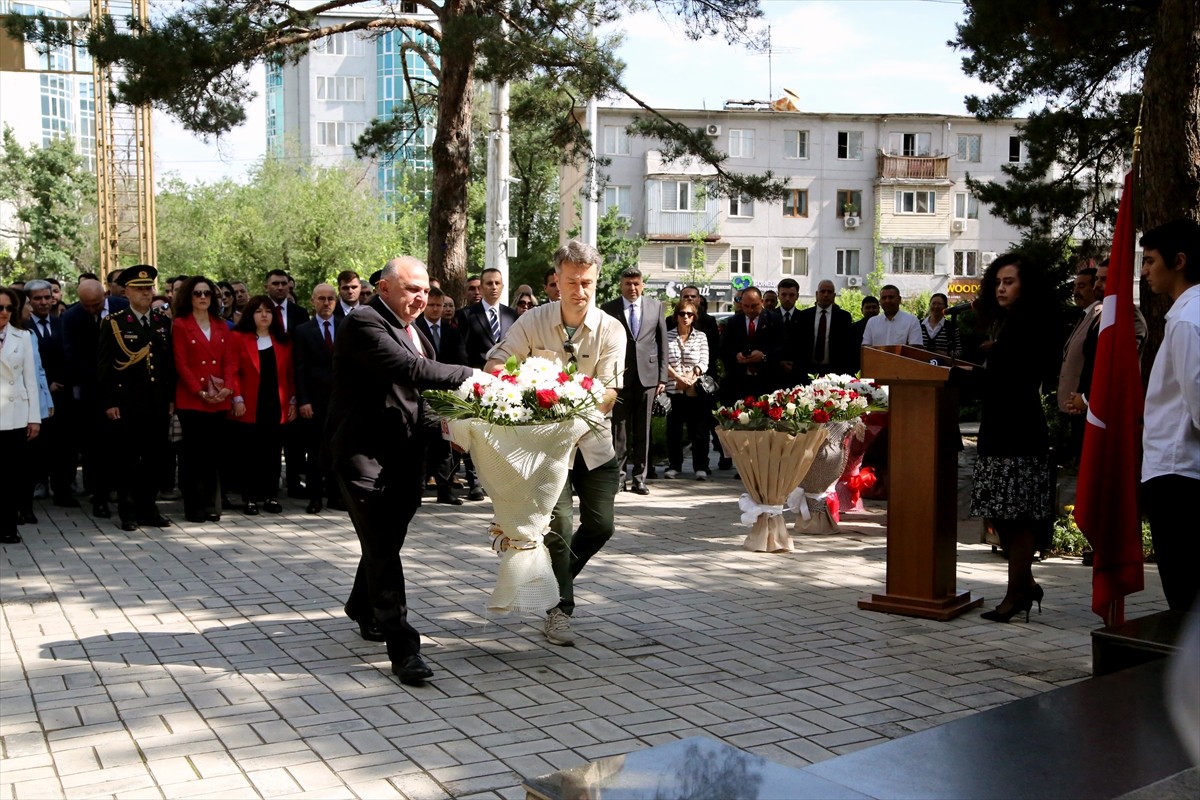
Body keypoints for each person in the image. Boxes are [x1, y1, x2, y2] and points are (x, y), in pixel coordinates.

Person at [328, 256, 477, 685]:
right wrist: (476, 377)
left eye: (425, 291)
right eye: (411, 289)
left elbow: (417, 397)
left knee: (385, 540)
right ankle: (404, 648)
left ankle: (361, 605)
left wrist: (454, 425)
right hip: (363, 456)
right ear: (385, 288)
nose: (420, 298)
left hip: (404, 457)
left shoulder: (416, 333)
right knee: (383, 549)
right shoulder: (364, 322)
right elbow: (410, 371)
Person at [486, 240, 625, 648]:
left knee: (601, 525)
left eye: (587, 283)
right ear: (556, 282)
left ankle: (551, 576)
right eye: (571, 282)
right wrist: (526, 386)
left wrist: (576, 411)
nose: (579, 291)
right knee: (559, 525)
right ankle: (560, 610)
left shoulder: (611, 328)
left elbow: (610, 391)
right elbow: (496, 362)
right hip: (545, 450)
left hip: (594, 443)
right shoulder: (532, 321)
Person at [969, 253, 1055, 623]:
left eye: (1010, 282)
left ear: (1026, 286)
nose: (1001, 288)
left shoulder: (1031, 322)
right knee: (1000, 511)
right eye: (998, 282)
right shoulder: (1005, 322)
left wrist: (966, 376)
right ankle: (1025, 585)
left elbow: (1012, 377)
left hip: (1019, 427)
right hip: (999, 425)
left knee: (1015, 513)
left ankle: (1016, 592)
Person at [1139, 219, 1200, 612]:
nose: (1144, 271)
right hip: (1179, 469)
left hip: (1178, 471)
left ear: (1179, 261)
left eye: (1150, 261)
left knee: (1184, 592)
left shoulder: (1186, 321)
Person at [97, 266, 176, 532]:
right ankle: (128, 512)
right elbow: (105, 366)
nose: (145, 293)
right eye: (139, 289)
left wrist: (170, 398)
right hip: (127, 402)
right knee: (128, 460)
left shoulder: (162, 322)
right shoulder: (114, 323)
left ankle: (149, 508)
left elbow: (167, 366)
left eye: (148, 288)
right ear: (127, 291)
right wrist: (109, 402)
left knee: (155, 459)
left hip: (156, 402)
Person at [61, 278, 128, 519]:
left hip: (125, 390)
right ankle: (99, 498)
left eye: (96, 304)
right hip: (93, 393)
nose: (92, 309)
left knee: (125, 447)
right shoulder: (71, 317)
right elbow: (72, 355)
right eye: (86, 305)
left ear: (105, 295)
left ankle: (125, 496)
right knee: (96, 450)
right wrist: (101, 378)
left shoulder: (123, 307)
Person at [226, 294, 296, 515]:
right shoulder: (238, 337)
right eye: (258, 311)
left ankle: (270, 496)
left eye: (267, 311)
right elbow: (231, 370)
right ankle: (249, 498)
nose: (264, 315)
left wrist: (293, 400)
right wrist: (236, 398)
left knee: (273, 453)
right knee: (249, 454)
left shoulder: (283, 340)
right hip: (248, 404)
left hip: (276, 404)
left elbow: (290, 374)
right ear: (250, 315)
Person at [171, 275, 233, 523]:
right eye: (198, 293)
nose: (203, 297)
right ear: (189, 296)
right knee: (193, 455)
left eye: (207, 293)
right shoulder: (180, 324)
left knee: (213, 454)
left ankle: (211, 504)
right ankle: (193, 506)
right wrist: (199, 390)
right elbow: (181, 362)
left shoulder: (220, 324)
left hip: (219, 398)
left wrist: (227, 387)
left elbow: (229, 360)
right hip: (192, 399)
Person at [602, 267, 667, 494]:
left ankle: (640, 477)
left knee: (643, 430)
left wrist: (662, 377)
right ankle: (619, 477)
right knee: (618, 430)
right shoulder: (609, 309)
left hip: (648, 377)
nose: (633, 288)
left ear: (643, 284)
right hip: (619, 378)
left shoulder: (655, 306)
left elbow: (662, 344)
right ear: (621, 285)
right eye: (628, 284)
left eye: (637, 284)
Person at [24, 279, 76, 508]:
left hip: (62, 396)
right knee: (37, 446)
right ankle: (37, 485)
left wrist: (61, 381)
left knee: (63, 445)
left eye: (47, 297)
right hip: (34, 397)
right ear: (29, 301)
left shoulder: (61, 324)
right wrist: (45, 385)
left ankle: (63, 490)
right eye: (38, 298)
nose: (44, 302)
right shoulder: (22, 327)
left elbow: (70, 355)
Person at [293, 284, 341, 514]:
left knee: (337, 449)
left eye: (331, 298)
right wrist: (303, 400)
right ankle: (315, 498)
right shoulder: (303, 330)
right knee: (314, 452)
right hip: (314, 400)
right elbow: (299, 368)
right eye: (321, 298)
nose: (326, 303)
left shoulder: (345, 326)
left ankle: (335, 496)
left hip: (340, 401)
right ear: (313, 301)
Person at [0, 285, 42, 544]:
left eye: (8, 308)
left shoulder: (23, 337)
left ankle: (7, 526)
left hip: (15, 413)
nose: (4, 312)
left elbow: (31, 378)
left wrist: (34, 417)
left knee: (11, 476)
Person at [264, 270, 308, 497]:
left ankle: (293, 483)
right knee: (269, 440)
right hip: (269, 379)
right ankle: (268, 486)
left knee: (295, 441)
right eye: (275, 284)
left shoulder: (300, 313)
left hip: (294, 378)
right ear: (266, 286)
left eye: (283, 284)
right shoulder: (261, 310)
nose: (280, 287)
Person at [664, 300, 711, 480]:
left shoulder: (701, 336)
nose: (685, 317)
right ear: (676, 316)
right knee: (674, 430)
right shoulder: (667, 336)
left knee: (698, 430)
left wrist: (691, 376)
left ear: (694, 317)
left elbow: (704, 362)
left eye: (689, 314)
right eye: (682, 313)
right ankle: (674, 465)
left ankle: (700, 466)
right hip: (673, 388)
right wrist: (677, 377)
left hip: (695, 389)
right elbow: (663, 361)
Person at [720, 286, 780, 401]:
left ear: (761, 302)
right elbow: (724, 347)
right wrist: (736, 356)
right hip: (739, 380)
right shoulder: (733, 322)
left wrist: (764, 356)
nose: (750, 310)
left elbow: (782, 346)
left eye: (754, 306)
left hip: (767, 380)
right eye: (746, 306)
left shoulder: (774, 320)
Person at [792, 279, 855, 378]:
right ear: (817, 294)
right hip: (807, 369)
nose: (826, 295)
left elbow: (847, 346)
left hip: (834, 371)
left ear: (834, 296)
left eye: (829, 292)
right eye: (822, 291)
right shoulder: (804, 315)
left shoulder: (843, 317)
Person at [921, 292, 963, 359]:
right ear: (929, 305)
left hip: (942, 366)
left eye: (940, 304)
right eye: (933, 303)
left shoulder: (951, 328)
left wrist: (946, 355)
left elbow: (959, 352)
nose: (936, 307)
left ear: (946, 307)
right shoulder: (919, 325)